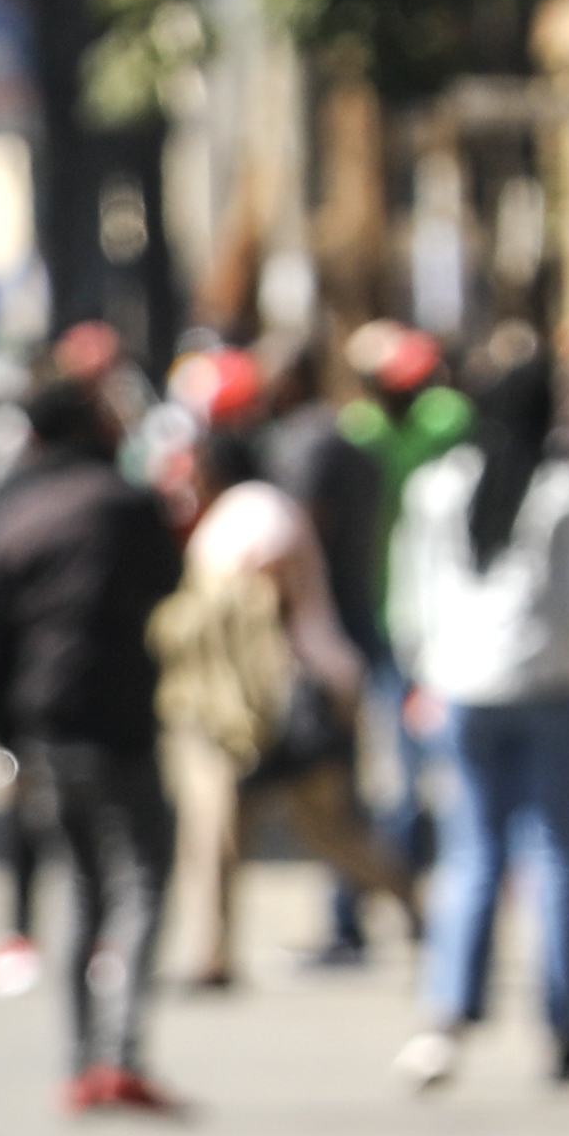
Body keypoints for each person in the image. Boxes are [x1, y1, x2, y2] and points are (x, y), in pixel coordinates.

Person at [395, 338, 569, 1086]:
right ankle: (563, 1025)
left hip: (463, 687)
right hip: (555, 688)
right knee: (560, 854)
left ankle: (449, 1011)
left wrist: (427, 670)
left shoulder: (439, 486)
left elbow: (413, 600)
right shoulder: (566, 494)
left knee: (471, 852)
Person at [0, 372, 188, 1112]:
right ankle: (120, 1052)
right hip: (120, 720)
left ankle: (81, 1059)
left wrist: (2, 735)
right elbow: (172, 580)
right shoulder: (125, 505)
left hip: (44, 726)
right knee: (142, 880)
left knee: (85, 888)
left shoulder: (13, 511)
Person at [158, 409, 411, 989]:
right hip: (236, 703)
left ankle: (412, 901)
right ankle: (214, 954)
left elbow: (272, 589)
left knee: (329, 831)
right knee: (216, 828)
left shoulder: (258, 511)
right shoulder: (230, 515)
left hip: (282, 698)